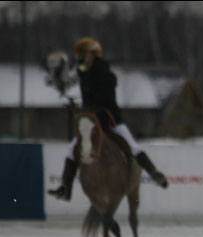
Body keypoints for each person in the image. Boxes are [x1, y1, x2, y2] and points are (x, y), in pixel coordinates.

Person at [48, 37, 168, 201]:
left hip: (110, 119)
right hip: (90, 121)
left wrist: (89, 106)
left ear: (91, 55)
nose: (81, 59)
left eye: (84, 55)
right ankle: (65, 188)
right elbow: (69, 82)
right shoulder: (83, 72)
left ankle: (154, 173)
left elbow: (104, 97)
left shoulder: (105, 73)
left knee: (132, 146)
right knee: (71, 150)